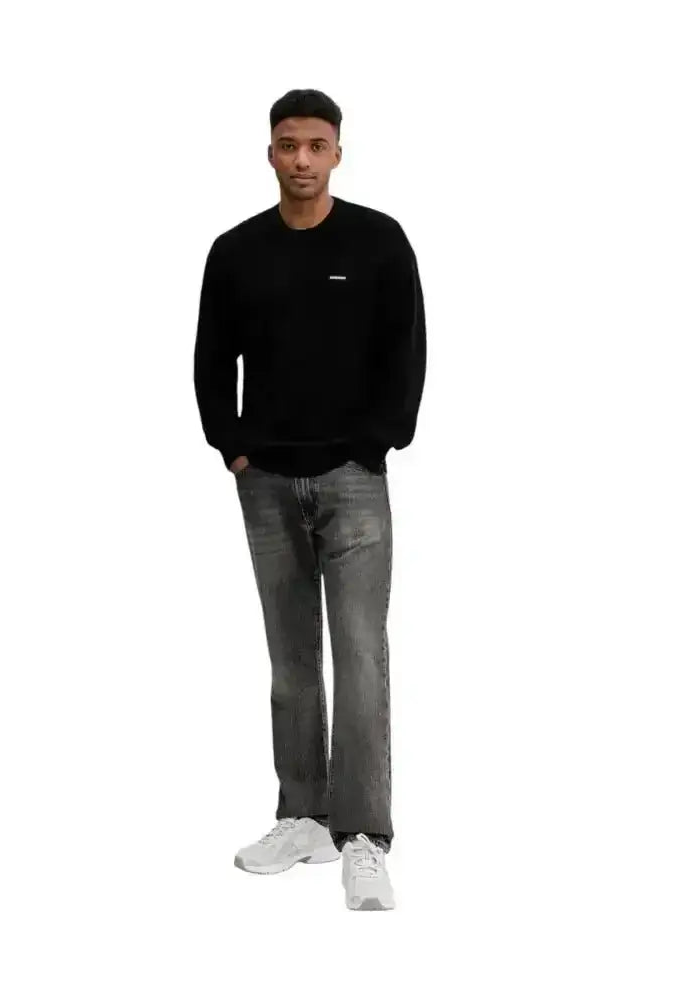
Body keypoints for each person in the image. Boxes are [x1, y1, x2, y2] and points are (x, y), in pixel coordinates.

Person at [192, 88, 426, 911]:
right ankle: (303, 816)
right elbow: (211, 356)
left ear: (337, 153)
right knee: (291, 662)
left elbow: (406, 347)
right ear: (269, 153)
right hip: (265, 482)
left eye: (316, 146)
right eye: (288, 145)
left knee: (359, 657)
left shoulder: (378, 241)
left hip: (353, 479)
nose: (301, 159)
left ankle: (363, 836)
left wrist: (380, 440)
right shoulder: (236, 251)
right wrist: (231, 444)